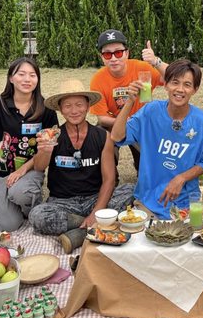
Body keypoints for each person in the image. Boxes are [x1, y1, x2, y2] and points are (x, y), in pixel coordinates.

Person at [28, 79, 134, 253]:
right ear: (60, 109)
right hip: (63, 202)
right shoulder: (52, 135)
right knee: (37, 215)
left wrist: (97, 210)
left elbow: (109, 179)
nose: (74, 111)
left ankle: (80, 232)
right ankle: (89, 225)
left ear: (88, 106)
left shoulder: (102, 136)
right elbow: (39, 167)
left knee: (131, 190)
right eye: (68, 106)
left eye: (79, 104)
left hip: (94, 198)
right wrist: (45, 150)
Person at [110, 59, 203, 219]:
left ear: (195, 90)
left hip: (184, 205)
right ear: (166, 84)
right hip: (148, 202)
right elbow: (116, 136)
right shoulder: (150, 111)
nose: (180, 89)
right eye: (175, 82)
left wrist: (181, 178)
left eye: (187, 85)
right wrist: (129, 102)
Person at [0, 46, 58, 231]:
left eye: (32, 75)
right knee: (7, 225)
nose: (27, 79)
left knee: (20, 193)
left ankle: (29, 205)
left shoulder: (46, 109)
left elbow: (47, 148)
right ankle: (10, 206)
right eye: (21, 74)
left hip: (29, 171)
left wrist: (22, 169)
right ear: (11, 78)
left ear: (38, 79)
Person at [90, 30, 166, 173]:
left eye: (118, 53)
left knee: (149, 166)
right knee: (98, 136)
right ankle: (109, 175)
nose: (113, 58)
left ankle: (142, 165)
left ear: (127, 53)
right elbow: (102, 118)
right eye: (107, 54)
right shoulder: (98, 80)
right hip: (113, 123)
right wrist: (126, 121)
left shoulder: (142, 68)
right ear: (102, 57)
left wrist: (156, 61)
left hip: (142, 123)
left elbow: (173, 77)